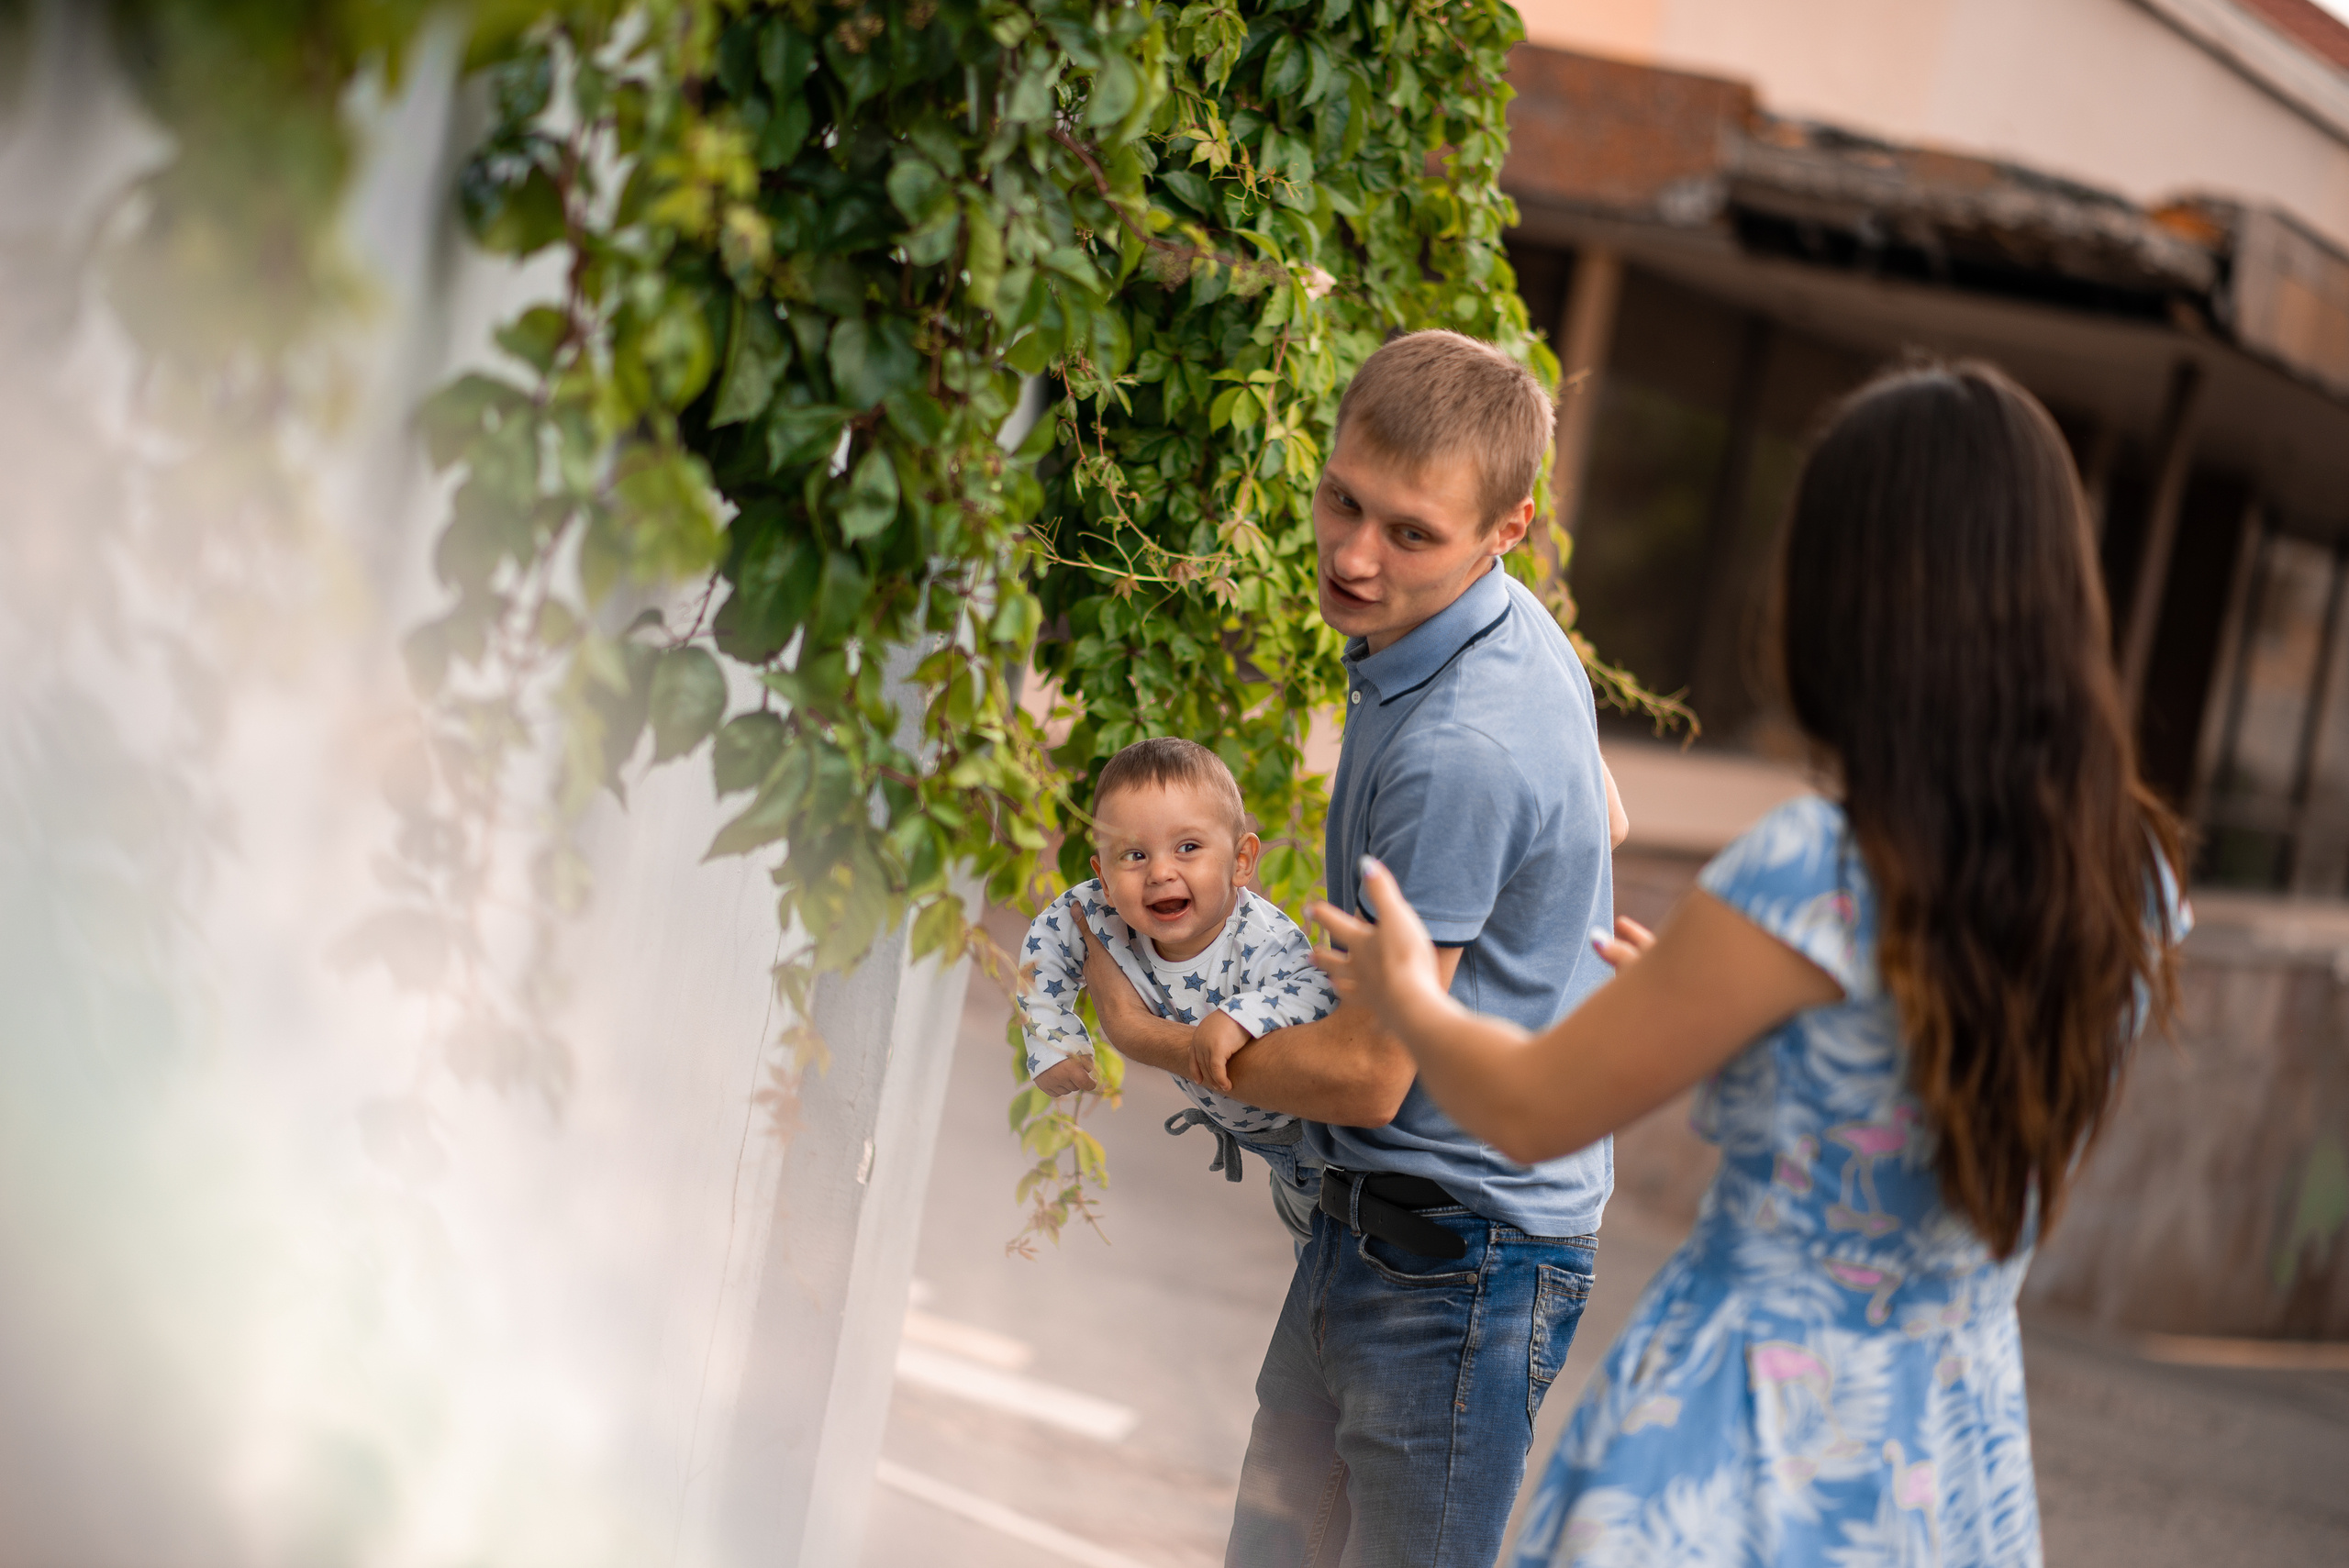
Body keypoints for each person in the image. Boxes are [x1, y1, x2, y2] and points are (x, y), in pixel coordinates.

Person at [1313, 360, 2188, 1567]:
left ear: (1851, 589)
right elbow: (1920, 1076)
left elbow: (1528, 1105)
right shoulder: (2126, 871)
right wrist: (1732, 989)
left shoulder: (1815, 870)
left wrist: (1408, 989)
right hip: (1948, 1442)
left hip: (1744, 1440)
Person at [1075, 329, 1631, 1567]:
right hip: (1385, 1224)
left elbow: (1371, 1074)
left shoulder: (1461, 748)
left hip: (1458, 1267)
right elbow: (1603, 809)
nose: (1355, 555)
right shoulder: (1498, 627)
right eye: (1342, 502)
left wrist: (1148, 1034)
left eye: (1410, 533)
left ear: (1509, 529)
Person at [1017, 737, 1338, 1238]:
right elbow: (1045, 948)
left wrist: (1242, 1018)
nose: (1161, 872)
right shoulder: (1096, 912)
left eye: (1188, 847)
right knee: (1309, 1245)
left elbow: (1319, 994)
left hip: (1319, 1140)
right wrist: (1050, 1037)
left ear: (1240, 860)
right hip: (1261, 1140)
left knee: (1324, 1247)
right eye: (1134, 855)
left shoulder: (1263, 940)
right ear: (1102, 874)